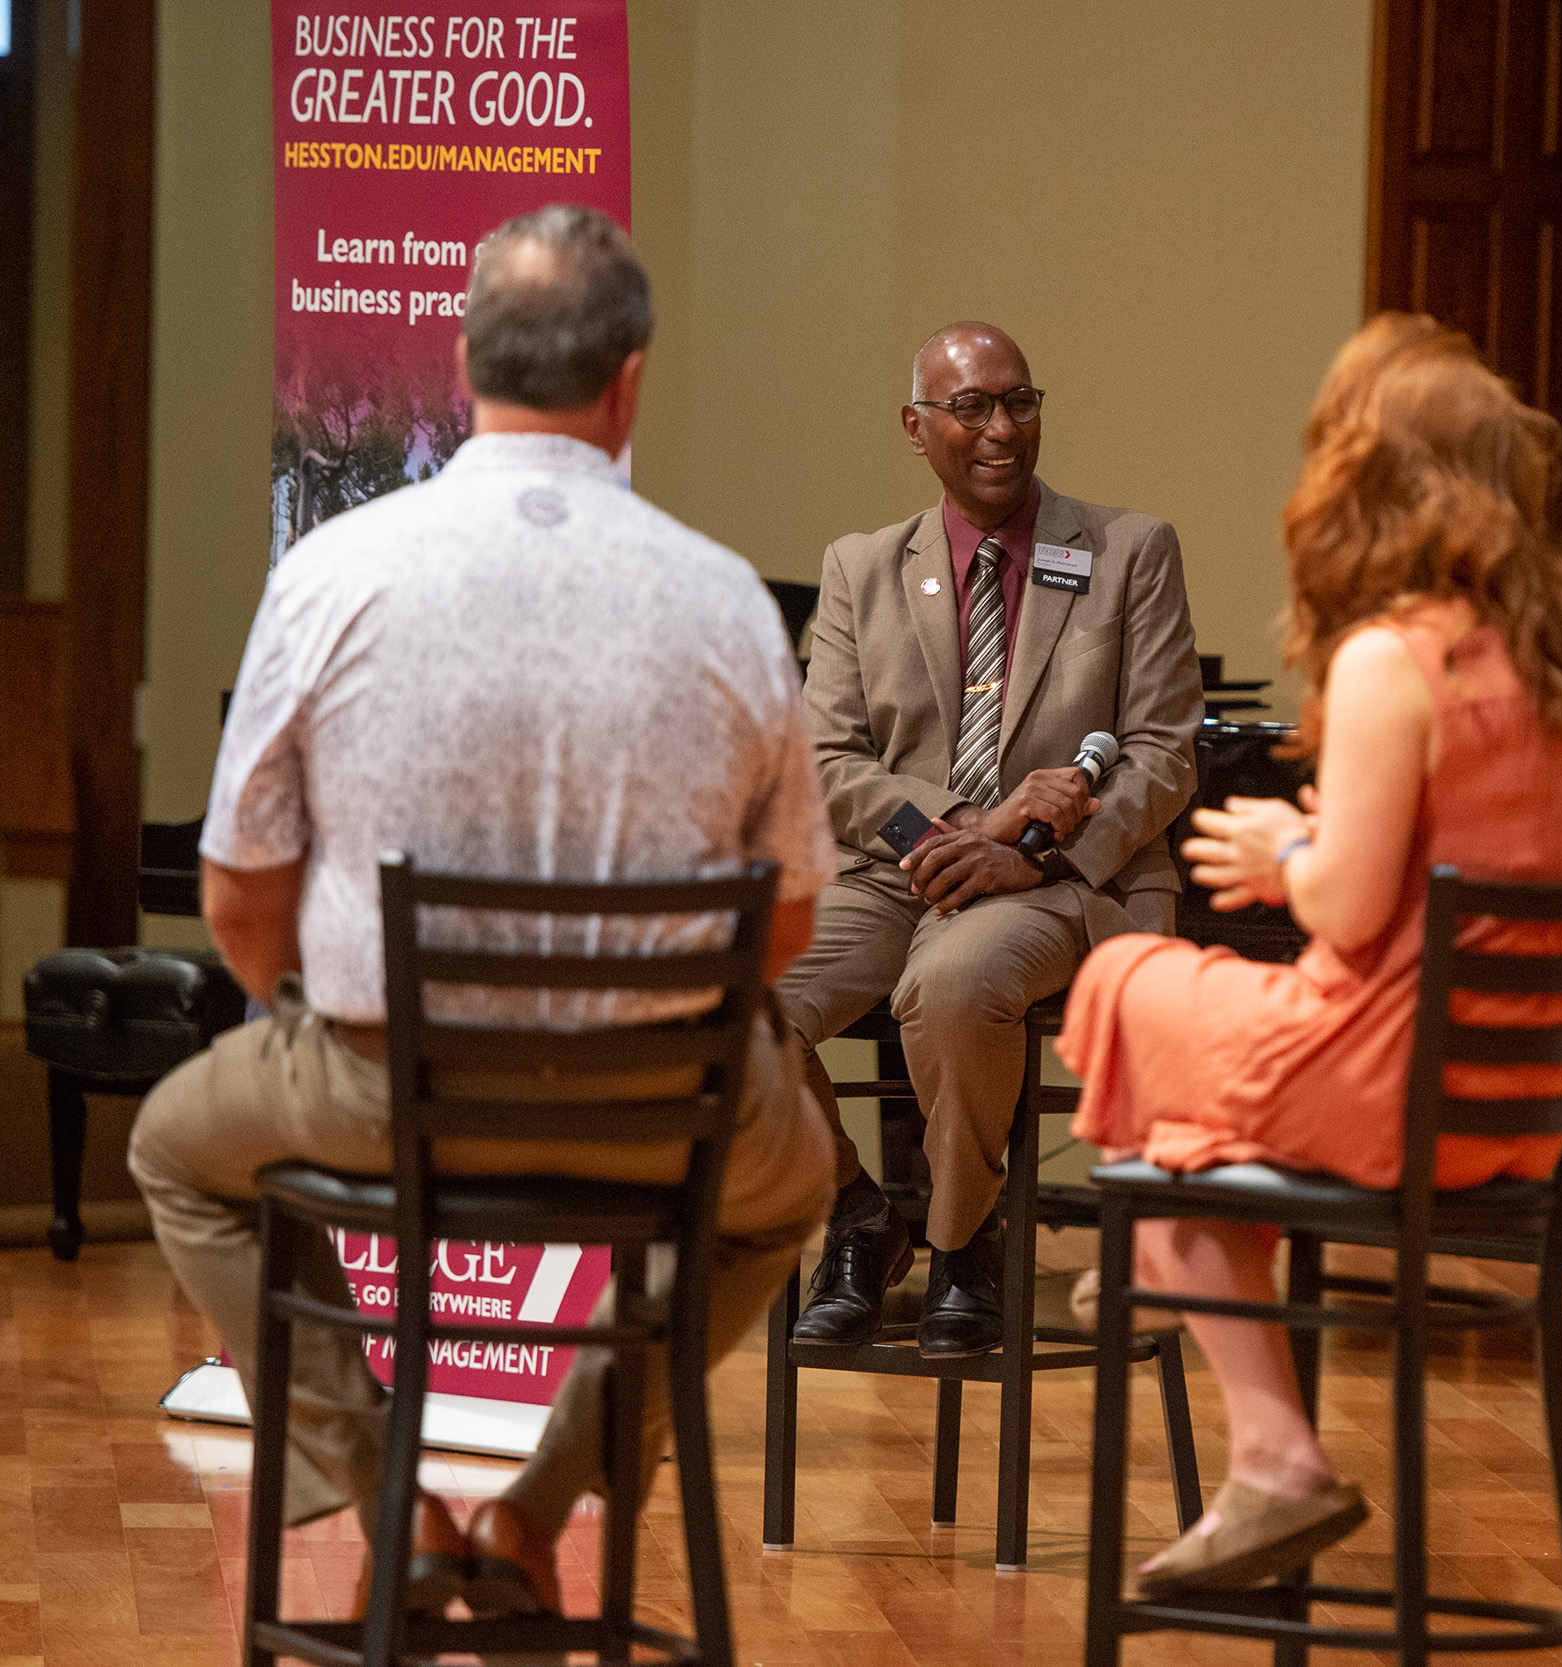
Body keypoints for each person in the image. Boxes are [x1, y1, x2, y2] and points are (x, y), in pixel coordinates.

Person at [126, 205, 837, 1615]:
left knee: (174, 1148)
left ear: (462, 365)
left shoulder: (331, 572)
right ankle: (545, 1493)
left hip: (382, 1088)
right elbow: (791, 922)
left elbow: (238, 890)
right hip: (661, 1113)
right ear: (630, 380)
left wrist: (299, 1022)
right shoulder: (727, 604)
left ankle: (387, 1484)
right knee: (792, 1186)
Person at [1056, 314, 1562, 1594]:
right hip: (1525, 1099)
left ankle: (1251, 1410)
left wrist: (1285, 856)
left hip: (1386, 1081)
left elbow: (1350, 913)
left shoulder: (1392, 658)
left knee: (1122, 985)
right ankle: (1181, 1292)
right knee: (1163, 1042)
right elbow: (1528, 868)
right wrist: (1327, 837)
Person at [777, 322, 1200, 1358]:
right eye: (971, 407)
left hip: (1063, 879)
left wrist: (1030, 851)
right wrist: (962, 828)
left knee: (955, 984)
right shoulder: (861, 566)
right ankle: (858, 1214)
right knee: (730, 1000)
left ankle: (965, 1238)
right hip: (897, 871)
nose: (1001, 427)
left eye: (1019, 400)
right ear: (916, 428)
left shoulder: (1128, 549)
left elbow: (1164, 750)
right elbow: (826, 758)